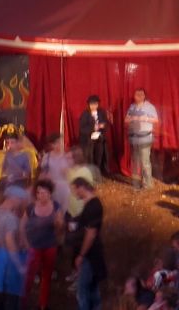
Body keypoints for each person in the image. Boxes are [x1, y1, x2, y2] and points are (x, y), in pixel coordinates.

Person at [0, 191, 30, 310]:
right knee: (12, 293)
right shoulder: (10, 218)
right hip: (8, 259)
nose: (21, 203)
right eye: (20, 200)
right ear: (13, 198)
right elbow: (10, 243)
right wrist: (19, 265)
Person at [24, 180, 63, 308]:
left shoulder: (56, 206)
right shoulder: (31, 208)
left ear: (50, 193)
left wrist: (58, 224)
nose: (41, 195)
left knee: (46, 276)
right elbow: (21, 226)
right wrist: (26, 243)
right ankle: (22, 302)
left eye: (44, 192)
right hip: (34, 247)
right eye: (38, 192)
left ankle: (43, 305)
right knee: (29, 276)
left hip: (50, 246)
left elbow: (60, 227)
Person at [71, 177, 106, 310]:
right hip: (91, 254)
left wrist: (81, 255)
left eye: (75, 190)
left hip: (90, 255)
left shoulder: (93, 206)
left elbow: (91, 233)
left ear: (81, 187)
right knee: (92, 289)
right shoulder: (89, 205)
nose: (74, 193)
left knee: (82, 291)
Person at [125, 89, 160, 189]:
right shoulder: (132, 107)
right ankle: (136, 184)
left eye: (141, 94)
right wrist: (132, 119)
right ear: (134, 96)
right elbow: (126, 120)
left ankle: (147, 184)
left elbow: (156, 120)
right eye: (137, 94)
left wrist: (145, 119)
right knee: (135, 162)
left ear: (144, 96)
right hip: (134, 138)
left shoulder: (150, 107)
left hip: (145, 138)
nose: (139, 96)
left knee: (145, 162)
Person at [78, 95, 111, 176]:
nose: (93, 106)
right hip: (88, 140)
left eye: (95, 104)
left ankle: (98, 172)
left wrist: (103, 125)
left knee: (99, 156)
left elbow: (106, 123)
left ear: (98, 104)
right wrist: (93, 128)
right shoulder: (85, 114)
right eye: (92, 104)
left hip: (99, 139)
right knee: (90, 157)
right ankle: (90, 173)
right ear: (89, 105)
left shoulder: (101, 113)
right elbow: (82, 129)